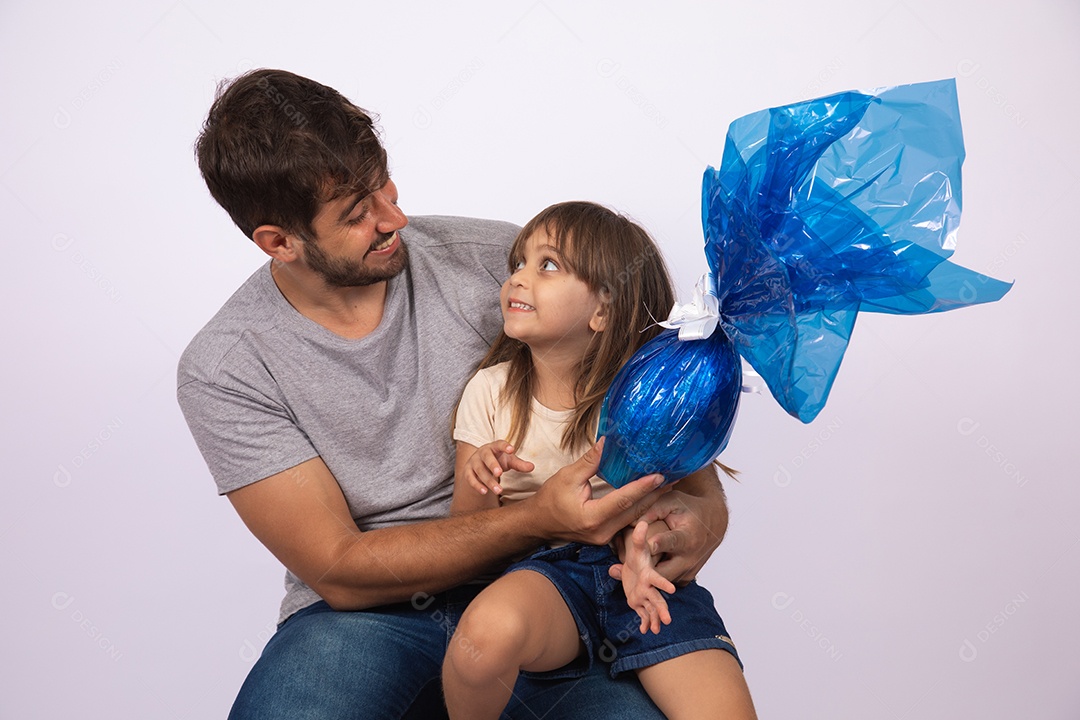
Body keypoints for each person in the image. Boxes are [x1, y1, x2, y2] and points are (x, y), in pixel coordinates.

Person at [177, 68, 732, 719]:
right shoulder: (226, 368)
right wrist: (535, 516)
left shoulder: (498, 263)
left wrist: (700, 522)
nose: (396, 218)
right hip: (371, 617)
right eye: (359, 215)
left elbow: (654, 425)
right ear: (279, 242)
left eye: (383, 185)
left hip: (559, 588)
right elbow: (338, 567)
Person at [442, 202, 757, 720]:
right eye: (517, 263)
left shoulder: (648, 393)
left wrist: (651, 541)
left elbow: (692, 499)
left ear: (603, 310)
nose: (518, 278)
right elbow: (466, 531)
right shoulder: (491, 391)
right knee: (484, 641)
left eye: (546, 266)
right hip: (546, 574)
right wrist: (481, 480)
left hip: (648, 578)